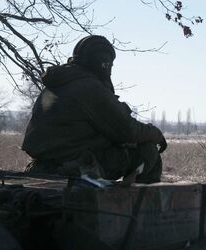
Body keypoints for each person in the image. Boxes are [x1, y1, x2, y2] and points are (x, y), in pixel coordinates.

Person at [22, 35, 167, 183]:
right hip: (75, 167)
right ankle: (139, 203)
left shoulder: (59, 83)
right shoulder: (90, 88)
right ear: (104, 63)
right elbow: (128, 131)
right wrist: (156, 134)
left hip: (44, 165)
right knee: (148, 150)